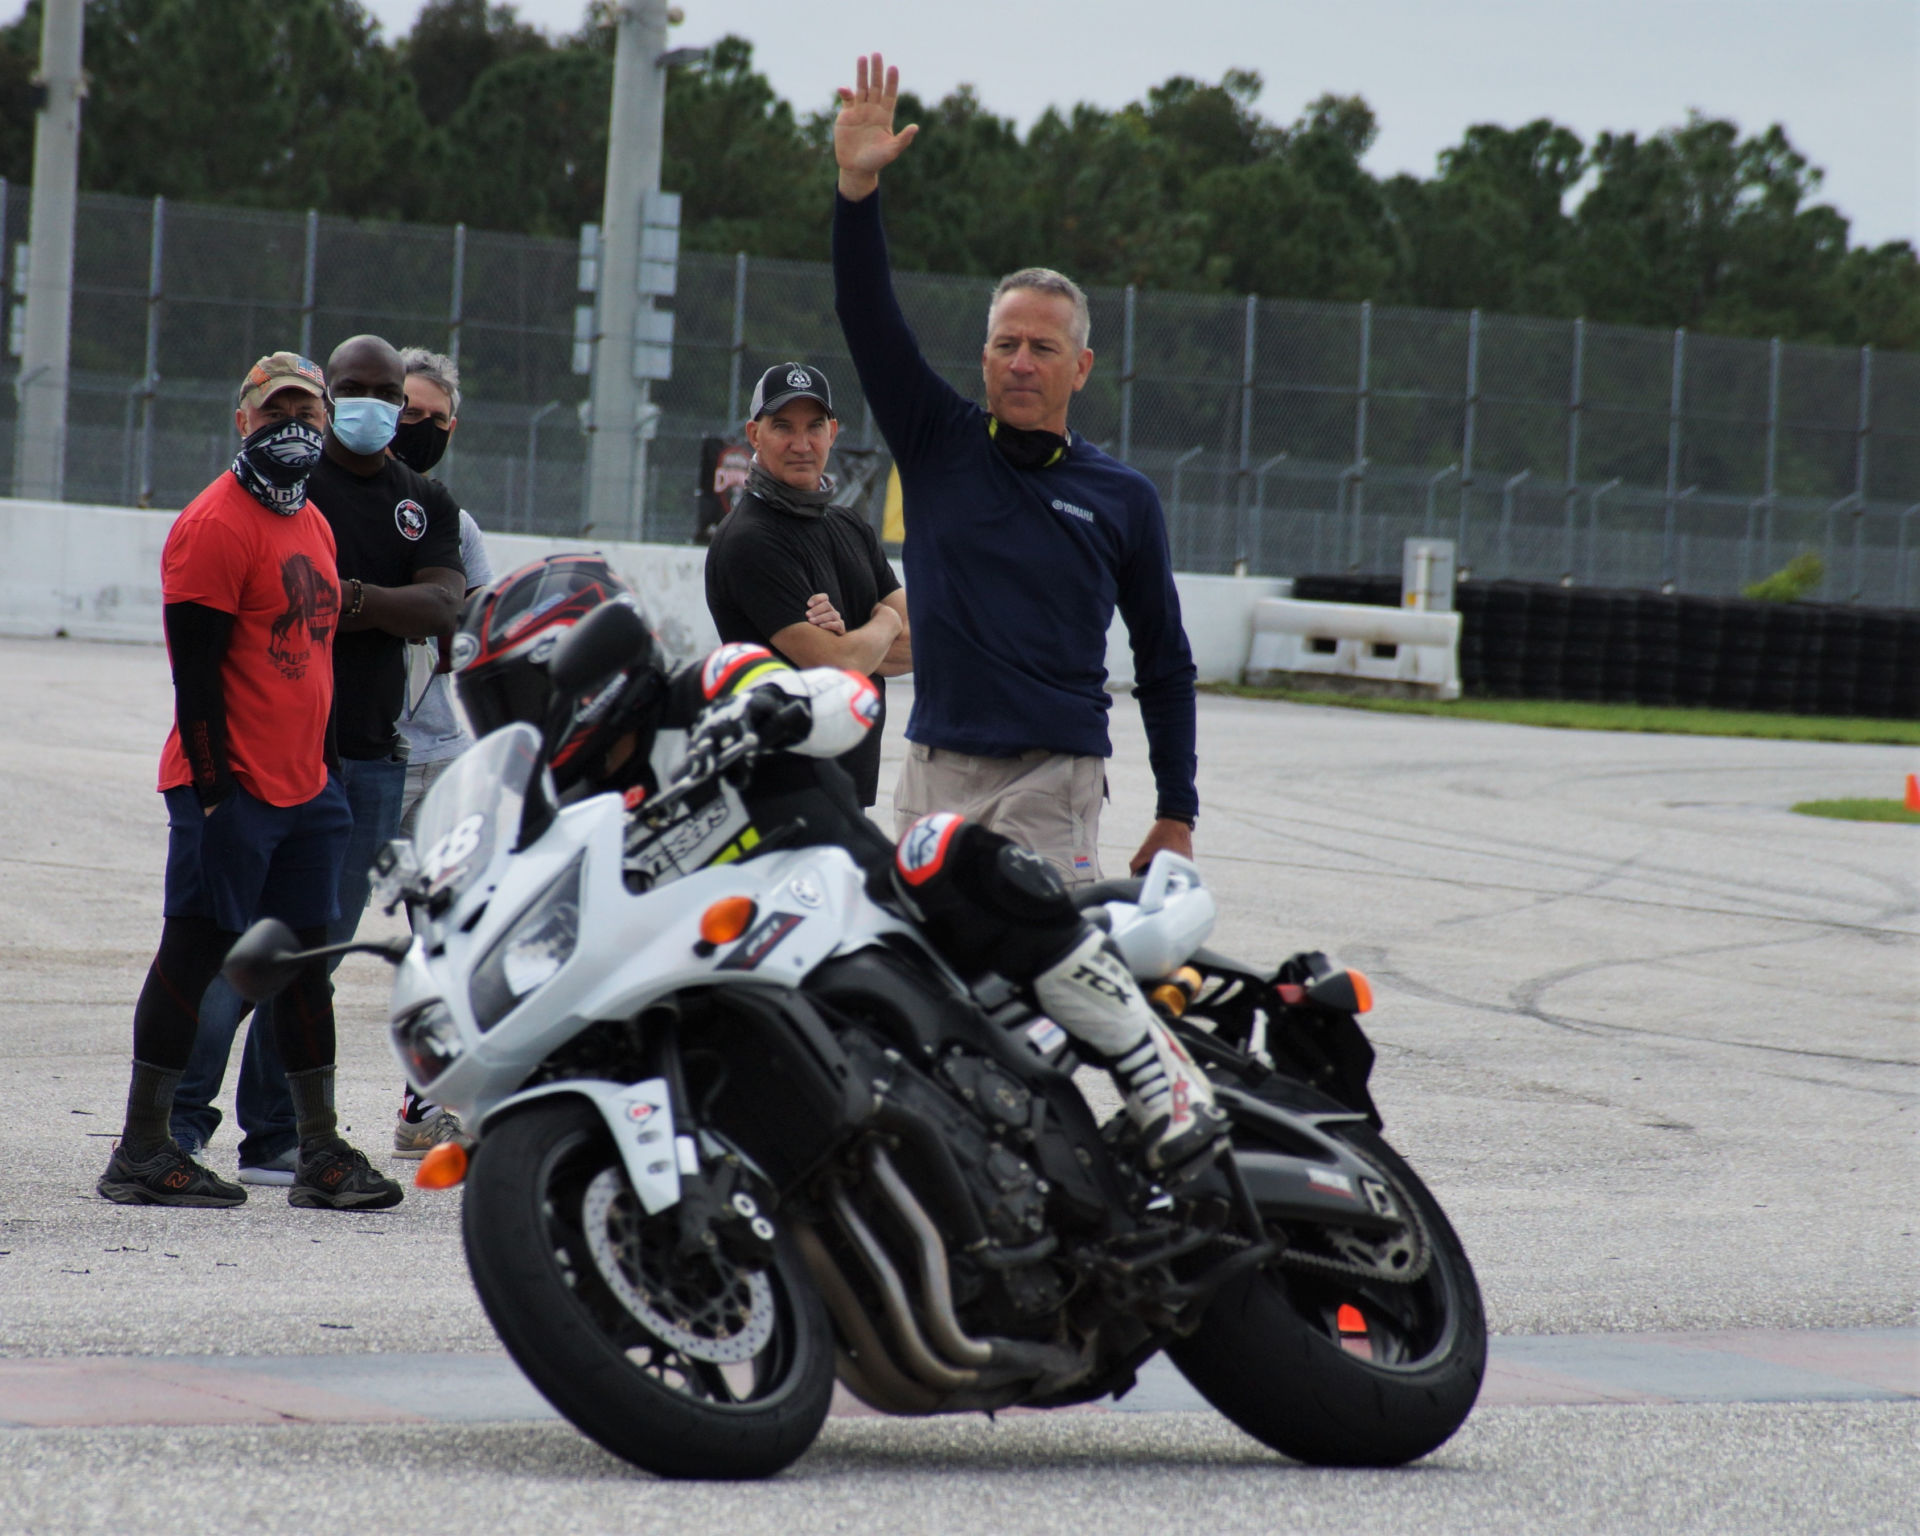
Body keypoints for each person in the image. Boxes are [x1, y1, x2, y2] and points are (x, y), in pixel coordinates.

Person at [457, 559, 1223, 1174]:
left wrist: (779, 709)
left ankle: (1158, 1072)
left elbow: (841, 700)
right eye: (497, 709)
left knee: (938, 847)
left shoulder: (708, 685)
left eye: (524, 694)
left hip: (860, 917)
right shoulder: (576, 817)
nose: (516, 725)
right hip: (729, 977)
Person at [831, 53, 1199, 886]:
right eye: (1007, 344)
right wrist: (857, 192)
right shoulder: (936, 440)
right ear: (985, 357)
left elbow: (1165, 662)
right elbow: (865, 313)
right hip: (935, 770)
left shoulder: (1123, 499)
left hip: (1053, 778)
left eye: (1044, 347)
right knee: (923, 988)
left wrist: (1177, 811)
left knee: (1032, 981)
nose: (1023, 362)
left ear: (1083, 367)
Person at [97, 351, 402, 1210]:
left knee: (303, 967)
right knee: (194, 953)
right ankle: (143, 1148)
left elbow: (315, 656)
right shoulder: (213, 524)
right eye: (276, 413)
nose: (293, 427)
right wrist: (217, 788)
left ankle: (317, 1150)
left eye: (307, 411)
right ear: (244, 420)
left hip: (308, 790)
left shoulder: (313, 521)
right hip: (229, 787)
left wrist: (326, 774)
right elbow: (192, 676)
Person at [169, 335, 464, 1171]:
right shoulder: (287, 491)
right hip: (267, 757)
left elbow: (443, 606)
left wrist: (350, 600)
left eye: (390, 397)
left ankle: (277, 1138)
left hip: (367, 757)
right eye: (359, 390)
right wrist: (380, 605)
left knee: (307, 965)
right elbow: (217, 639)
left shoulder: (423, 501)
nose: (379, 409)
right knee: (229, 954)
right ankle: (178, 1125)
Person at [703, 361, 910, 808]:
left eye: (814, 426)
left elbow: (923, 647)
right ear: (754, 435)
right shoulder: (749, 540)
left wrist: (853, 641)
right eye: (783, 427)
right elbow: (839, 667)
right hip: (773, 795)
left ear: (833, 431)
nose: (802, 444)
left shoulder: (849, 526)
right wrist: (886, 619)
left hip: (845, 796)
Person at [388, 346, 494, 1157]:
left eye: (431, 418)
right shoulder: (327, 505)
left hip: (442, 753)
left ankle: (426, 1103)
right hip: (353, 753)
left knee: (459, 932)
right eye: (402, 410)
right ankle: (280, 1122)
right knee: (307, 928)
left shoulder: (459, 526)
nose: (414, 427)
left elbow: (482, 640)